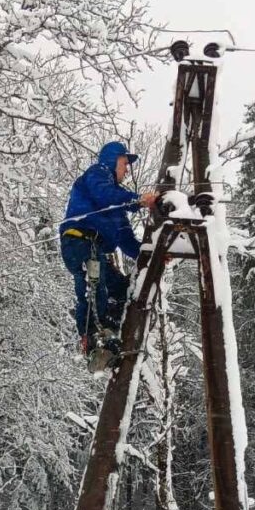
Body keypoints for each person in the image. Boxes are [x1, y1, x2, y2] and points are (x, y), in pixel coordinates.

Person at [60, 142, 158, 361]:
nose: (127, 169)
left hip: (96, 249)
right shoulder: (97, 174)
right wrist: (138, 201)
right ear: (112, 160)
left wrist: (154, 255)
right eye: (125, 163)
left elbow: (125, 238)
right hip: (80, 241)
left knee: (122, 288)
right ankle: (94, 337)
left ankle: (111, 328)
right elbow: (105, 195)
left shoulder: (116, 205)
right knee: (94, 287)